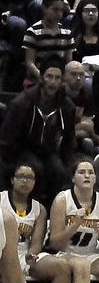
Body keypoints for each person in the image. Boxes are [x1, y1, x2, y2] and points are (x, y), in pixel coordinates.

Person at [0, 161, 73, 283]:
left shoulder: (39, 209)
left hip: (24, 254)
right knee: (7, 272)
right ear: (12, 179)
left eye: (30, 177)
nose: (25, 181)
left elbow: (37, 242)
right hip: (3, 253)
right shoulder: (1, 200)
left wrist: (32, 255)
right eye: (21, 176)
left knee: (61, 267)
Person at [0, 57, 76, 204]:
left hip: (48, 152)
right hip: (22, 151)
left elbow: (69, 139)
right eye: (49, 76)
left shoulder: (67, 107)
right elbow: (6, 139)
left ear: (62, 81)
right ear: (41, 78)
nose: (53, 82)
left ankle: (52, 209)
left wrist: (68, 162)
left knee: (59, 171)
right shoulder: (21, 103)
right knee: (36, 169)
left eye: (57, 78)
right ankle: (31, 209)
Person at [22, 0, 74, 82]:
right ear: (44, 8)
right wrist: (43, 78)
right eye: (55, 10)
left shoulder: (67, 33)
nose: (59, 14)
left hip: (59, 78)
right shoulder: (33, 32)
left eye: (61, 10)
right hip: (38, 78)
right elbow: (29, 62)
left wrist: (60, 79)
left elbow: (69, 62)